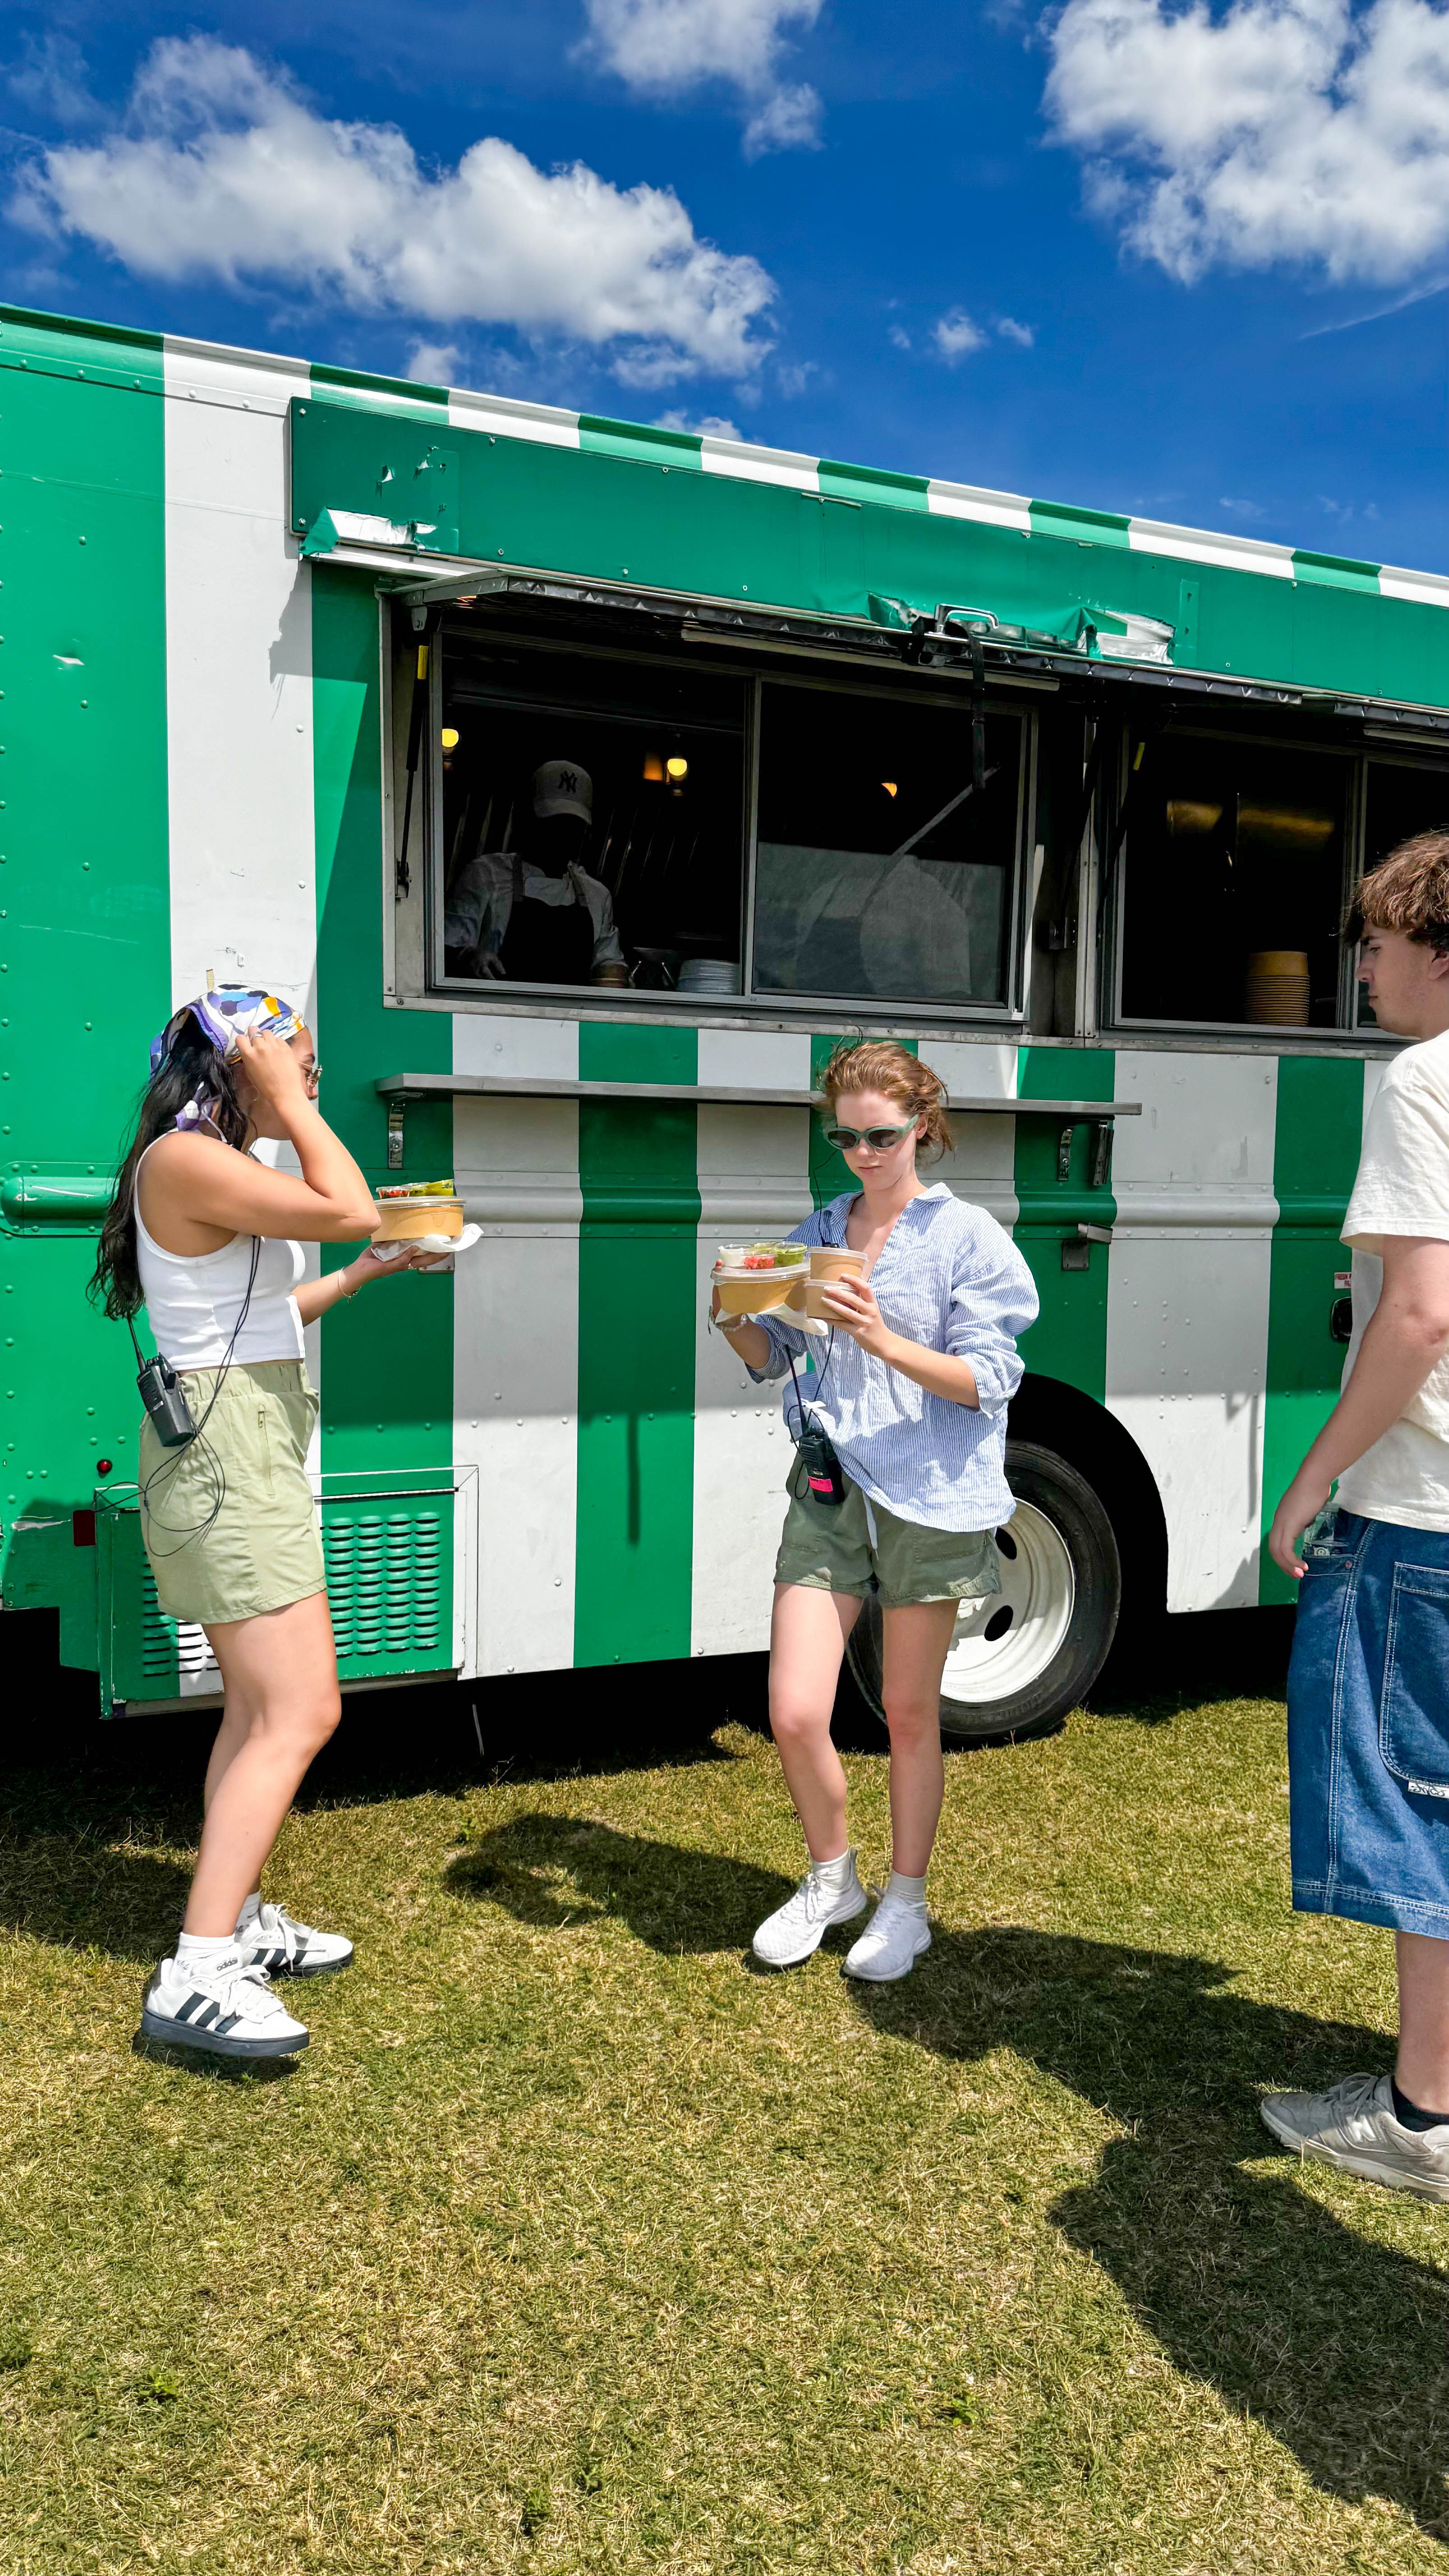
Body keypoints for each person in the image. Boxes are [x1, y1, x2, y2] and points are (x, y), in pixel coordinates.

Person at [91, 987, 442, 2064]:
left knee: (254, 1706)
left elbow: (250, 1319)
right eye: (298, 1059)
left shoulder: (207, 1164)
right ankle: (199, 1974)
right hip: (227, 1456)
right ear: (237, 1064)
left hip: (238, 1435)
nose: (314, 1076)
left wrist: (363, 1275)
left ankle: (232, 1915)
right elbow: (352, 1203)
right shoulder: (188, 1158)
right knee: (302, 1710)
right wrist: (297, 1113)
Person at [713, 1041, 1039, 1983]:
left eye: (880, 1136)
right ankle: (832, 1881)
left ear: (922, 1128)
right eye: (845, 1137)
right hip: (829, 1485)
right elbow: (772, 1357)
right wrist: (737, 1314)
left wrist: (882, 1337)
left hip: (930, 1497)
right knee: (793, 1711)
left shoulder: (966, 1235)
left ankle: (906, 1902)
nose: (861, 1152)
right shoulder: (821, 1225)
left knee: (904, 1712)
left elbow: (988, 1380)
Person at [1265, 833, 1449, 2199]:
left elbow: (1422, 1312)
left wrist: (1319, 1466)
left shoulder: (1424, 1081)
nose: (1363, 966)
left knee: (1417, 1808)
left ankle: (1422, 2116)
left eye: (1378, 942)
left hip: (1428, 1515)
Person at [443, 759, 626, 985]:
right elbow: (447, 950)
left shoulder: (597, 896)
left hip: (569, 1019)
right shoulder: (485, 875)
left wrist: (617, 985)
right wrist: (469, 957)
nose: (561, 836)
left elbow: (609, 971)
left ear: (585, 833)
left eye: (572, 827)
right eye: (553, 824)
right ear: (529, 820)